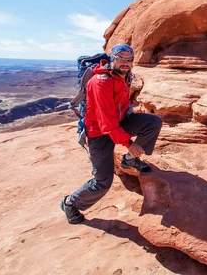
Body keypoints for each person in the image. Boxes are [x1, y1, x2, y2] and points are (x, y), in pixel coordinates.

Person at [61, 43, 162, 224]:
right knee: (102, 182)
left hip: (118, 123)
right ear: (112, 59)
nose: (125, 63)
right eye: (121, 59)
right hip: (98, 133)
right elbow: (106, 123)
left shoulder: (125, 76)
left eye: (129, 59)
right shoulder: (101, 82)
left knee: (153, 122)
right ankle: (70, 203)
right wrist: (129, 144)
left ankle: (129, 162)